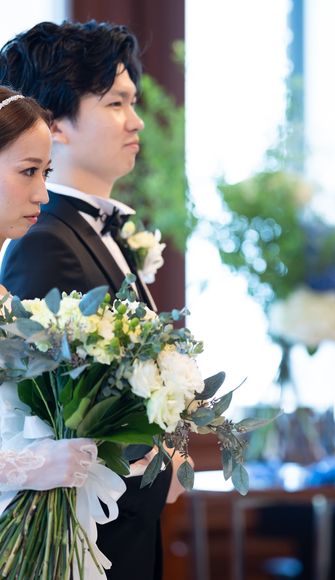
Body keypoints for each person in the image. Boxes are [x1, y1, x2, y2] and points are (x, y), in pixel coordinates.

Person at [0, 20, 183, 579]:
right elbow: (54, 411)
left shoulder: (93, 235)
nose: (136, 121)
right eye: (115, 102)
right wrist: (36, 465)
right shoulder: (43, 244)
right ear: (57, 122)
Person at [0, 85, 98, 518]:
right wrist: (33, 467)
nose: (43, 193)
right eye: (28, 171)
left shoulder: (9, 300)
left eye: (46, 171)